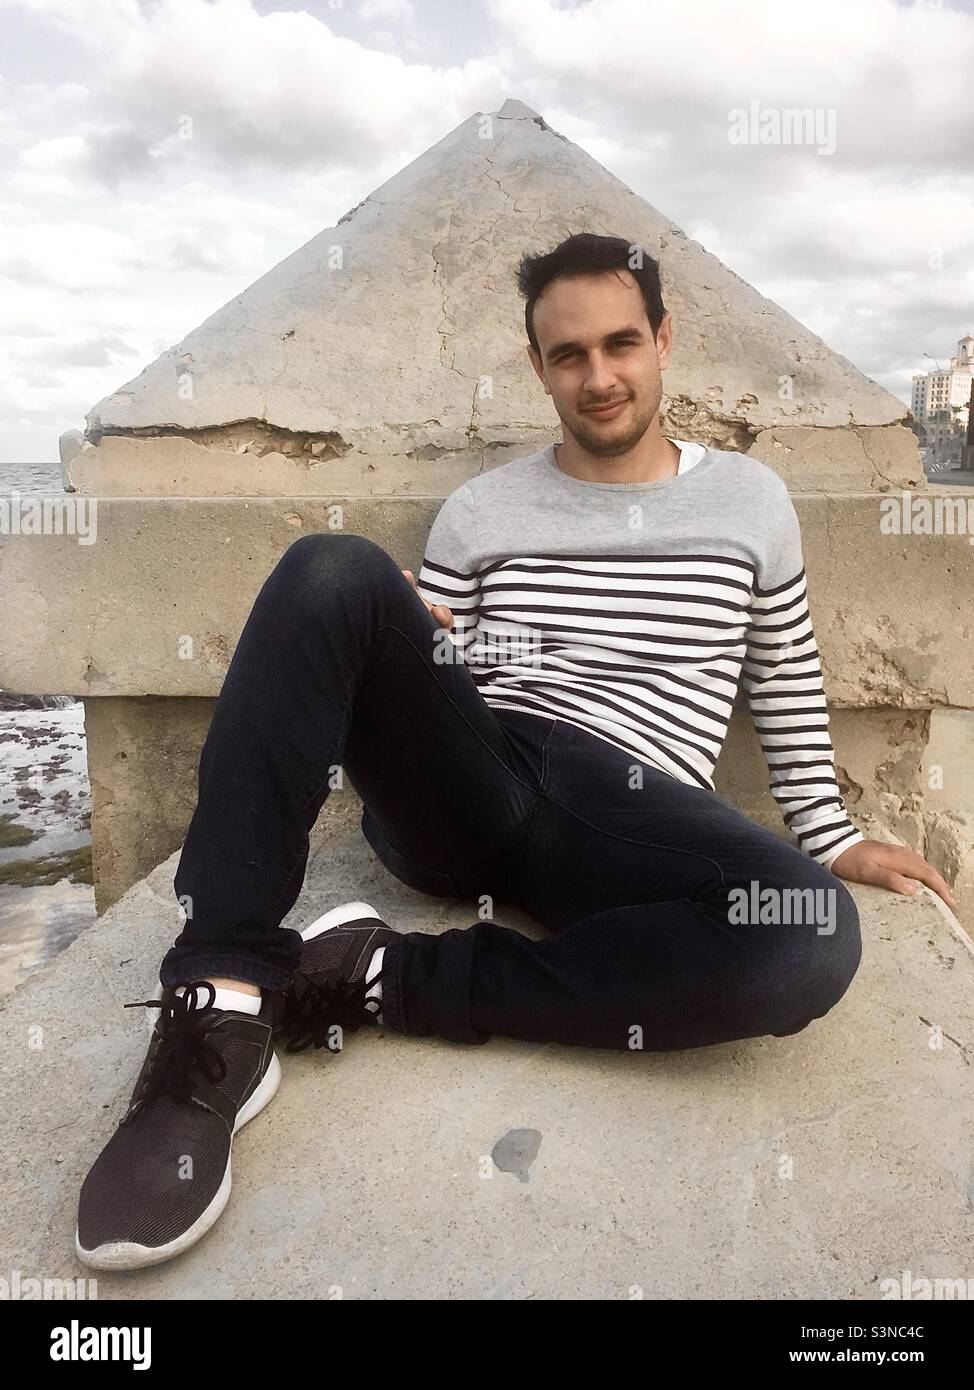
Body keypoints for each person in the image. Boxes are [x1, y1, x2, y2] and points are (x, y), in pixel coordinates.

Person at [75, 232, 956, 1270]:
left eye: (620, 344)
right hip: (479, 780)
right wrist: (415, 636)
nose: (598, 376)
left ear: (665, 341)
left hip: (626, 818)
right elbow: (455, 667)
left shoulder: (749, 505)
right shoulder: (480, 509)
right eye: (567, 354)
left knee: (810, 935)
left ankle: (375, 976)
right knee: (331, 569)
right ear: (537, 364)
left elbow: (784, 668)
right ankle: (218, 1000)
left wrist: (829, 833)